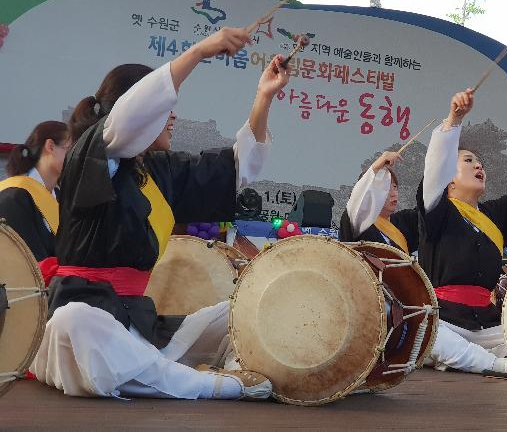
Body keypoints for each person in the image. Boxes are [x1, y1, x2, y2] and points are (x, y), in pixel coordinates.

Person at [31, 27, 290, 400]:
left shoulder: (161, 171)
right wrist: (198, 52)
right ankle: (212, 384)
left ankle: (206, 370)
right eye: (164, 109)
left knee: (243, 307)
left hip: (139, 323)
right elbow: (126, 121)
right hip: (87, 320)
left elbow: (238, 167)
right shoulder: (92, 159)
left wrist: (263, 97)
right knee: (75, 321)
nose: (172, 118)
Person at [417, 89, 507, 377]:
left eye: (479, 162)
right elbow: (434, 170)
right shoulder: (437, 208)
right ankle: (498, 365)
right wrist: (454, 120)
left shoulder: (493, 215)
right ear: (448, 180)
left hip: (486, 322)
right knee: (429, 334)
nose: (478, 164)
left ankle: (485, 359)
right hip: (444, 317)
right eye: (467, 161)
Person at [0, 121, 71, 261]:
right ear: (50, 146)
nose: (77, 158)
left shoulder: (60, 197)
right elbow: (27, 261)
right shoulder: (14, 197)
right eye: (70, 149)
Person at [339, 151, 418, 254]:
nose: (393, 193)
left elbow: (429, 207)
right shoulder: (360, 222)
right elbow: (358, 198)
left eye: (394, 187)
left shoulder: (403, 221)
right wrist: (377, 166)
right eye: (385, 188)